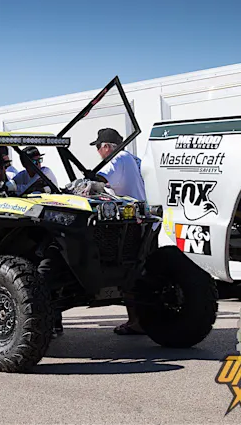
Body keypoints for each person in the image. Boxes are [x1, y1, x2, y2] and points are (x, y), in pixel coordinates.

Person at [90, 128, 147, 335]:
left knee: (127, 272)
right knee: (139, 270)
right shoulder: (132, 158)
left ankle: (136, 322)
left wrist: (85, 184)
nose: (98, 153)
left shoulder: (117, 158)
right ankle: (140, 320)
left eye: (98, 147)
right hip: (143, 220)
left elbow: (101, 181)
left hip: (130, 224)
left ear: (106, 146)